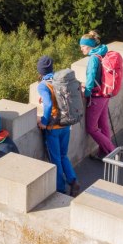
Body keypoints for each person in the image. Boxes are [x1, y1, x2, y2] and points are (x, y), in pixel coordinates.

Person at [36, 55, 81, 196]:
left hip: (53, 128)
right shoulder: (59, 80)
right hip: (66, 124)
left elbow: (49, 104)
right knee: (63, 155)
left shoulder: (43, 85)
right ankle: (73, 181)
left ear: (40, 71)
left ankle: (60, 189)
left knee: (55, 159)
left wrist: (43, 122)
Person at [79, 30, 116, 158]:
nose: (81, 49)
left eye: (83, 46)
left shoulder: (93, 59)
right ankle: (104, 152)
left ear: (89, 46)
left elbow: (90, 78)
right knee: (103, 124)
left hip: (97, 96)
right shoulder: (101, 52)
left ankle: (112, 152)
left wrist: (86, 93)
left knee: (91, 128)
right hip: (105, 93)